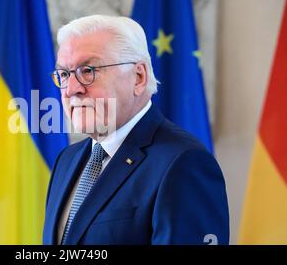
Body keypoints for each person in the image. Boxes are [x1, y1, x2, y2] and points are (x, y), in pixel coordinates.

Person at [42, 15, 229, 245]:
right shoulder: (66, 160)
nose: (71, 89)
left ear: (138, 77)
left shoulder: (184, 162)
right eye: (64, 74)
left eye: (88, 70)